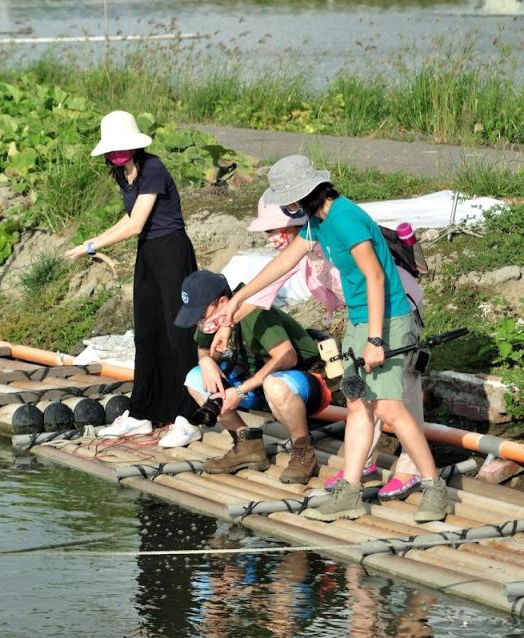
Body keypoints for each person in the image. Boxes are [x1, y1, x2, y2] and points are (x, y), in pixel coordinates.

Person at [206, 155, 448, 523]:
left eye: (288, 201)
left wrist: (376, 340)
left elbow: (376, 278)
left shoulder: (345, 219)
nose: (287, 208)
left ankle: (434, 488)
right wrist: (237, 299)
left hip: (389, 318)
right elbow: (282, 264)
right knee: (357, 406)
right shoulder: (316, 223)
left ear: (303, 195)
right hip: (360, 319)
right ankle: (350, 492)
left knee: (389, 409)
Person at [65, 111, 198, 435]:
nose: (117, 153)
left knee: (178, 333)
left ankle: (189, 415)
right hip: (148, 253)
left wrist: (92, 246)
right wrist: (89, 243)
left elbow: (138, 222)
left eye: (121, 146)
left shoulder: (152, 168)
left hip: (171, 251)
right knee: (147, 333)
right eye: (112, 149)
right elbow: (130, 221)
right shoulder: (122, 173)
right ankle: (143, 412)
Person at [164, 270, 330, 485]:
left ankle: (303, 451)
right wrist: (206, 362)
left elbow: (287, 356)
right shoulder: (214, 318)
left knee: (275, 385)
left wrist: (241, 390)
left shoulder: (253, 310)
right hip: (258, 385)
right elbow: (203, 349)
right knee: (195, 378)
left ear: (223, 302)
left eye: (201, 315)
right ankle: (246, 444)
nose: (201, 322)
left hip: (305, 383)